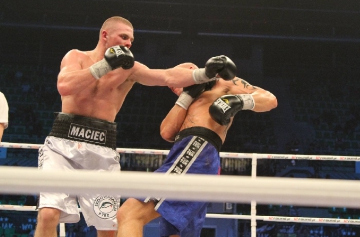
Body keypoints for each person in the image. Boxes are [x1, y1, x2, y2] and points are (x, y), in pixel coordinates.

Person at [35, 16, 237, 237]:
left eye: (131, 39)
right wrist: (104, 66)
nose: (129, 43)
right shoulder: (76, 57)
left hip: (101, 150)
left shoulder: (129, 70)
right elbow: (64, 86)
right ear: (105, 35)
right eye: (124, 37)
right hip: (62, 144)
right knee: (48, 215)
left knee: (108, 229)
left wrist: (204, 73)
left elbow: (167, 75)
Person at [116, 63, 278, 237]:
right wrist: (186, 96)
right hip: (187, 155)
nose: (176, 84)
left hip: (198, 151)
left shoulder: (224, 82)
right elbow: (167, 132)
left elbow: (270, 99)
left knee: (130, 213)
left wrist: (236, 101)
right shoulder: (188, 100)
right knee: (175, 233)